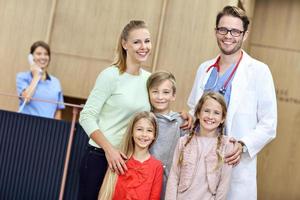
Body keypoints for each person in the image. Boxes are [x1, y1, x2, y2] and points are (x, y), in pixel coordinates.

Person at [187, 6, 277, 200]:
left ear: (244, 35)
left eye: (235, 31)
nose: (228, 36)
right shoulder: (204, 68)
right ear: (216, 31)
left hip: (234, 164)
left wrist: (243, 145)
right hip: (200, 164)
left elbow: (269, 124)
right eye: (223, 29)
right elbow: (194, 109)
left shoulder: (259, 71)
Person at [78, 20, 152, 200]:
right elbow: (86, 116)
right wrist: (109, 150)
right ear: (124, 44)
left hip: (128, 162)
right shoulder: (110, 76)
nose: (144, 47)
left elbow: (155, 116)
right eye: (137, 42)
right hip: (100, 157)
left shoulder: (149, 80)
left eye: (147, 41)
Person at [166, 91, 234, 200]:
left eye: (216, 113)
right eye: (206, 111)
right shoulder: (183, 142)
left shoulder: (227, 145)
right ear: (198, 113)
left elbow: (223, 185)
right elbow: (174, 177)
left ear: (222, 118)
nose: (210, 116)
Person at [98, 111, 163, 200]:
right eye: (139, 129)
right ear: (131, 132)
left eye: (149, 130)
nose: (144, 134)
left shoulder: (157, 166)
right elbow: (107, 193)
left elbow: (154, 197)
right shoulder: (119, 159)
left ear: (154, 135)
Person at [147, 71, 187, 199]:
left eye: (166, 92)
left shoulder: (181, 122)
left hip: (170, 181)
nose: (160, 97)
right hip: (146, 178)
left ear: (173, 95)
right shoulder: (144, 119)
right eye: (155, 91)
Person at [16, 41, 65, 119]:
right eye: (39, 54)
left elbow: (58, 110)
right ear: (31, 57)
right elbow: (26, 99)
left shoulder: (56, 82)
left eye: (46, 54)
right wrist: (36, 76)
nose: (43, 57)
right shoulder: (22, 77)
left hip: (46, 127)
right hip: (25, 124)